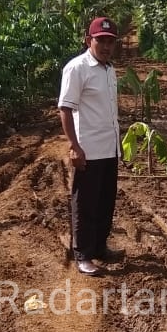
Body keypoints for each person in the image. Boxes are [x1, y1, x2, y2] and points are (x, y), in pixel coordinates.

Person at [59, 16, 125, 276]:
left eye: (110, 42)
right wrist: (74, 146)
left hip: (109, 149)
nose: (106, 46)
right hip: (88, 149)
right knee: (85, 204)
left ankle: (99, 247)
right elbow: (65, 109)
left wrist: (117, 139)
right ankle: (83, 254)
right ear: (89, 40)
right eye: (101, 41)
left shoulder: (109, 70)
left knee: (105, 201)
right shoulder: (77, 68)